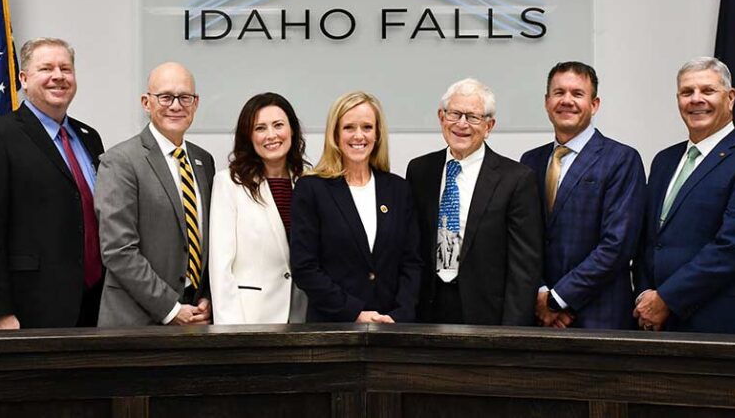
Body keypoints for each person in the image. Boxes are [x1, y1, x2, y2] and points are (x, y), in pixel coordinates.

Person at [634, 57, 735, 334]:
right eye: (686, 92)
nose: (696, 99)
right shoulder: (664, 161)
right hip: (660, 325)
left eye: (707, 91)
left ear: (730, 98)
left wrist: (666, 298)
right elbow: (648, 241)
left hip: (726, 327)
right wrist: (645, 295)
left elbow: (734, 247)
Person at [0, 38, 105, 329]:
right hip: (32, 309)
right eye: (46, 68)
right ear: (24, 79)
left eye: (66, 68)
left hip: (97, 304)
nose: (58, 76)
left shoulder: (89, 137)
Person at [406, 78, 543, 325]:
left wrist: (512, 333)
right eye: (455, 114)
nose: (461, 124)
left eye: (472, 117)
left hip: (486, 316)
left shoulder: (517, 179)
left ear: (489, 126)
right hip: (426, 312)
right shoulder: (419, 171)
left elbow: (524, 268)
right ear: (441, 117)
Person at [520, 62, 645, 330]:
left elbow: (617, 246)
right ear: (546, 101)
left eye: (577, 94)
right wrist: (541, 294)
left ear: (595, 104)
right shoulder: (530, 161)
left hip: (600, 316)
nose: (567, 101)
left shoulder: (622, 160)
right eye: (559, 93)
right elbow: (524, 240)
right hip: (539, 317)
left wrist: (558, 299)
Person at [95, 62, 215, 327]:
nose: (176, 105)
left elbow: (206, 242)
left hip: (195, 319)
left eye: (185, 97)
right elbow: (118, 249)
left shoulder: (203, 161)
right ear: (146, 102)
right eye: (165, 97)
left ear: (195, 104)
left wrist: (207, 297)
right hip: (136, 324)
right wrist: (171, 309)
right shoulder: (120, 161)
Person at [291, 91, 422, 323]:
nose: (358, 136)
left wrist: (399, 315)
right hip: (333, 331)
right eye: (349, 127)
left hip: (391, 330)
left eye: (367, 127)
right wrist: (355, 312)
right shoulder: (311, 189)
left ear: (378, 134)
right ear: (335, 134)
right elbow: (305, 267)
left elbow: (411, 262)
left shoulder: (398, 190)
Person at [210, 93, 309, 324]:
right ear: (249, 136)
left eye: (278, 125)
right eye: (260, 128)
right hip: (250, 319)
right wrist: (230, 333)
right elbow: (220, 266)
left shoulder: (309, 181)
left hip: (304, 316)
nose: (271, 135)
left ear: (292, 130)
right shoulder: (229, 183)